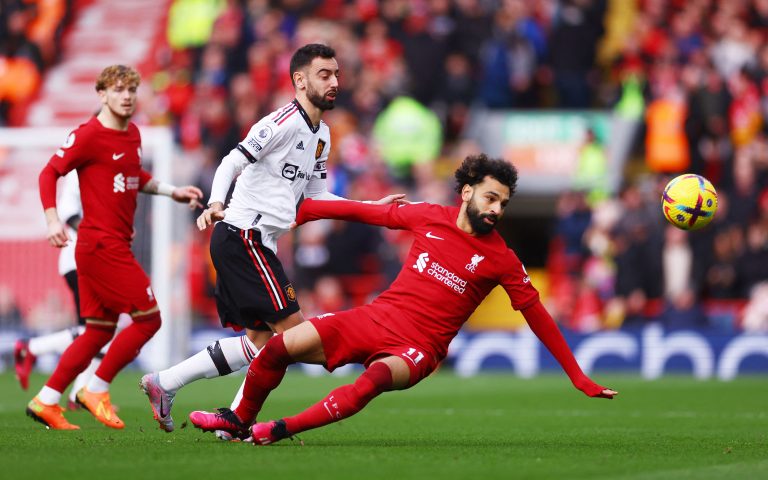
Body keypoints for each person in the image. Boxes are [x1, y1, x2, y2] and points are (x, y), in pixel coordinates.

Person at [188, 153, 618, 444]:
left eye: (503, 203)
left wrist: (577, 376)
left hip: (419, 348)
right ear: (466, 192)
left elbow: (537, 314)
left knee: (372, 381)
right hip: (376, 317)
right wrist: (299, 213)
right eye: (491, 197)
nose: (497, 210)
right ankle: (239, 418)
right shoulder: (429, 216)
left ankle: (277, 430)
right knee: (281, 345)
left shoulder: (502, 259)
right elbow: (364, 212)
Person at [140, 43, 404, 434]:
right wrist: (214, 202)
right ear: (299, 80)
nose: (334, 82)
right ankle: (235, 418)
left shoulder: (322, 136)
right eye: (324, 75)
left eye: (336, 75)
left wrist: (371, 207)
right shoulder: (281, 122)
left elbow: (316, 198)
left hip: (256, 242)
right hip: (243, 235)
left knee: (260, 343)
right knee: (296, 336)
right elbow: (232, 160)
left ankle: (168, 384)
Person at [30, 64, 203, 430]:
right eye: (118, 90)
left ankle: (46, 400)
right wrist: (51, 219)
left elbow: (133, 175)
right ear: (102, 94)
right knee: (150, 318)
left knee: (98, 330)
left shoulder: (133, 134)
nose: (126, 96)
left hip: (111, 244)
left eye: (131, 90)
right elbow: (49, 172)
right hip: (100, 245)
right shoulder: (89, 135)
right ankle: (96, 388)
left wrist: (173, 192)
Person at [14, 171, 132, 407]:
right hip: (81, 260)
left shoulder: (106, 171)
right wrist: (104, 235)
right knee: (100, 329)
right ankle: (75, 390)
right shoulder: (82, 173)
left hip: (90, 259)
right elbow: (69, 214)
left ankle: (76, 393)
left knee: (97, 329)